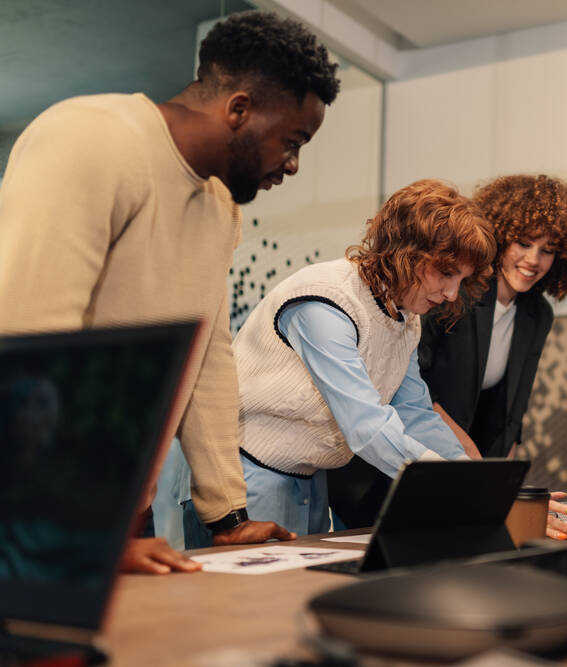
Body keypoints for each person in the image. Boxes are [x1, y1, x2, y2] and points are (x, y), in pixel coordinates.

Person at [0, 11, 341, 573]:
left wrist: (227, 516)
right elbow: (32, 341)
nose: (294, 164)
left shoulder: (217, 206)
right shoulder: (92, 138)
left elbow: (206, 357)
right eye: (292, 140)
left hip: (115, 508)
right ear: (239, 110)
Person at [231, 179, 496, 535]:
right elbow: (365, 425)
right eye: (446, 273)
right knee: (257, 591)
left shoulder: (405, 319)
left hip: (309, 476)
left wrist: (481, 484)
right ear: (407, 252)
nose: (451, 294)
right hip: (247, 472)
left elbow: (415, 414)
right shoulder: (324, 302)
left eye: (461, 280)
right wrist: (457, 487)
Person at [419, 174, 567, 538]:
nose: (534, 260)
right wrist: (483, 477)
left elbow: (510, 416)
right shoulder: (454, 292)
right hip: (407, 461)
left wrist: (508, 489)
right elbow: (414, 390)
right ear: (500, 237)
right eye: (523, 242)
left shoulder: (538, 314)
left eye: (548, 249)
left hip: (466, 472)